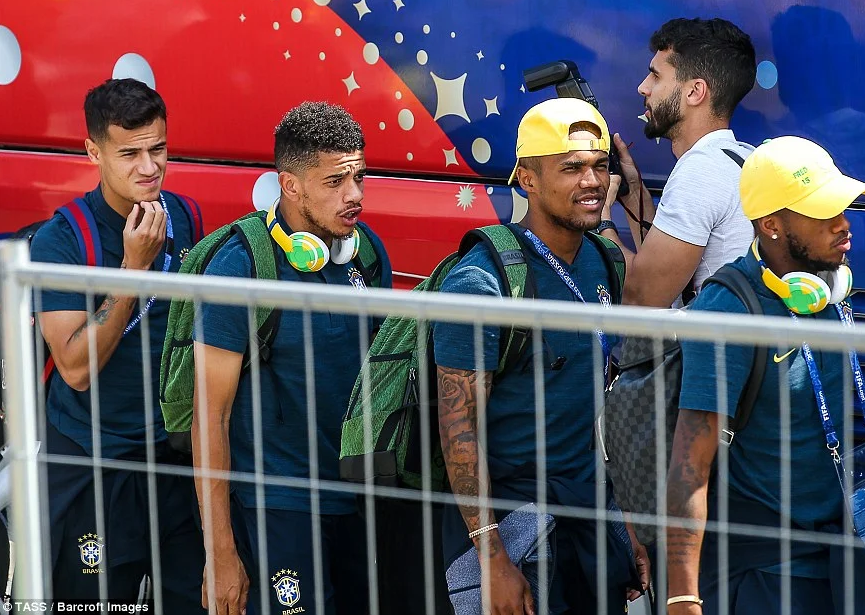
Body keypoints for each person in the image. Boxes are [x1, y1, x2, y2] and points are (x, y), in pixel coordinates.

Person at [435, 98, 646, 614]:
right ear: (527, 180)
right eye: (571, 168)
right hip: (515, 527)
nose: (592, 182)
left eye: (600, 166)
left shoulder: (604, 260)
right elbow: (458, 429)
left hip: (586, 517)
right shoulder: (482, 280)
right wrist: (493, 560)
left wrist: (625, 523)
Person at [665, 136, 865, 614]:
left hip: (838, 555)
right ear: (771, 225)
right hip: (767, 572)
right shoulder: (727, 311)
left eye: (842, 208)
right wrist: (683, 596)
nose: (843, 224)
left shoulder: (824, 291)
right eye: (823, 213)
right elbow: (689, 468)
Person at [192, 102, 392, 615]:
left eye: (359, 177)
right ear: (291, 185)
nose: (355, 195)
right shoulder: (240, 268)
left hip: (358, 496)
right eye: (335, 182)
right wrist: (220, 552)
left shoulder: (366, 253)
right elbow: (209, 418)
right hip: (279, 505)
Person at [31, 78, 205, 607]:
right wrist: (133, 269)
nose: (149, 168)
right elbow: (75, 369)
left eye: (159, 149)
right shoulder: (63, 239)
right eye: (129, 154)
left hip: (175, 460)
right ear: (93, 152)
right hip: (96, 462)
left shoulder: (187, 216)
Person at [599, 17, 758, 307]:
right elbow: (667, 270)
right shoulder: (743, 157)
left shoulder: (701, 170)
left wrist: (601, 218)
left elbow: (642, 297)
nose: (643, 87)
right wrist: (634, 193)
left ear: (695, 92)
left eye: (656, 76)